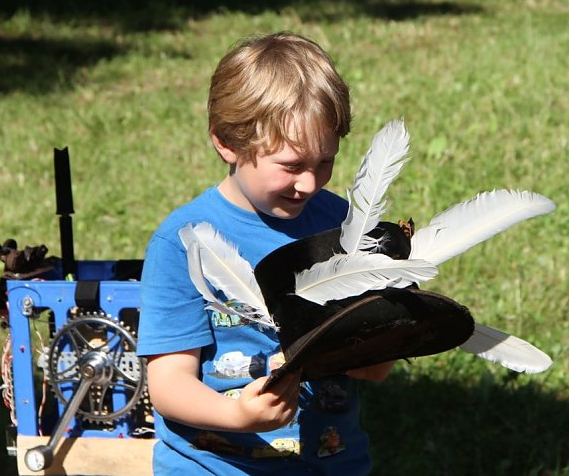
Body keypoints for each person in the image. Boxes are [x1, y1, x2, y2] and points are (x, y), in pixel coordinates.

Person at [137, 32, 393, 475]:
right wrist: (236, 415)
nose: (309, 183)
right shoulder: (184, 242)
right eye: (292, 165)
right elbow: (168, 384)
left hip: (331, 463)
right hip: (214, 467)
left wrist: (385, 338)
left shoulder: (345, 226)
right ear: (227, 143)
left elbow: (374, 366)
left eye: (325, 162)